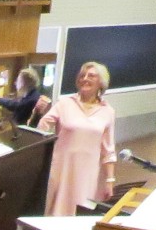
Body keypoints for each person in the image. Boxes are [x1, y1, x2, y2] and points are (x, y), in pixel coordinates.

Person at [37, 60, 118, 215]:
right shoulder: (65, 103)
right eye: (82, 75)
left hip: (87, 173)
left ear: (101, 82)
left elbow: (109, 151)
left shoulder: (108, 111)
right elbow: (42, 127)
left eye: (91, 76)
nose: (85, 79)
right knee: (56, 211)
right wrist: (40, 112)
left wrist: (110, 181)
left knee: (80, 211)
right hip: (62, 168)